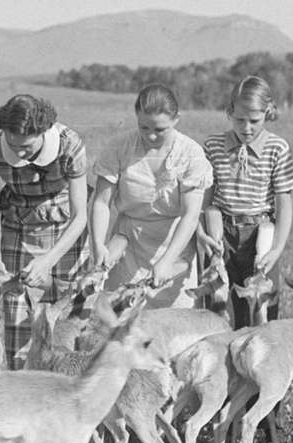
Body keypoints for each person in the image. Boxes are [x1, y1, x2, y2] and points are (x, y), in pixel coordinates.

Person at [0, 93, 90, 369]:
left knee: (68, 320)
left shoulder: (69, 145)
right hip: (19, 229)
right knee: (17, 321)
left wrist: (48, 261)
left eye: (26, 147)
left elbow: (80, 216)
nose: (19, 153)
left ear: (43, 132)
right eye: (13, 146)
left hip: (66, 235)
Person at [89, 83, 212, 308]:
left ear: (176, 119)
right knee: (122, 324)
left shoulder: (191, 154)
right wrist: (98, 244)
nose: (151, 135)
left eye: (159, 129)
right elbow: (101, 203)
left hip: (174, 248)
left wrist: (166, 262)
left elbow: (190, 215)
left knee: (172, 327)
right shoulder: (119, 147)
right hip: (128, 247)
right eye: (143, 127)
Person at [201, 75, 293, 327]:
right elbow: (205, 199)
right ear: (229, 112)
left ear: (267, 113)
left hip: (260, 237)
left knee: (261, 311)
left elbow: (284, 202)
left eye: (254, 121)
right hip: (221, 235)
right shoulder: (213, 146)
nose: (246, 128)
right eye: (239, 120)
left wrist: (276, 249)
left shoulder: (277, 148)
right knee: (219, 310)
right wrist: (206, 238)